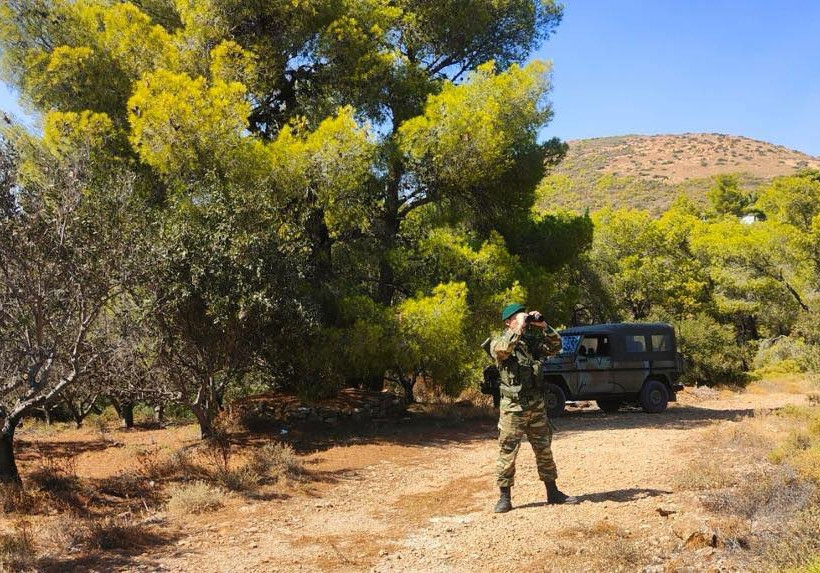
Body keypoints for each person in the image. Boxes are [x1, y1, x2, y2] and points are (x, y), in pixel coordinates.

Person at [490, 303, 579, 512]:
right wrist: (517, 329)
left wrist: (544, 326)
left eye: (524, 316)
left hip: (536, 405)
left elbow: (556, 346)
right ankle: (504, 498)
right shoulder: (499, 342)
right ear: (508, 322)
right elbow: (502, 350)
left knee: (544, 449)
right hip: (513, 408)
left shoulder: (531, 344)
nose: (523, 319)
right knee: (508, 452)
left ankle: (553, 492)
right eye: (518, 317)